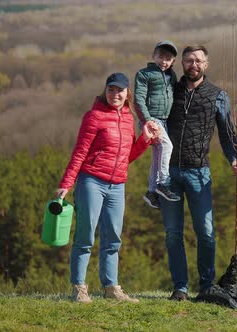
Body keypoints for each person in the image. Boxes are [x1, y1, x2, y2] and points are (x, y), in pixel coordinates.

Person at [56, 72, 159, 304]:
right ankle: (79, 288)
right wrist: (66, 184)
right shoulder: (94, 117)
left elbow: (126, 156)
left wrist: (144, 139)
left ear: (127, 93)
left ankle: (111, 287)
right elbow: (80, 153)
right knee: (86, 235)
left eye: (120, 90)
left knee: (113, 238)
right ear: (105, 91)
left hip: (117, 186)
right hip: (91, 181)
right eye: (111, 89)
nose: (115, 94)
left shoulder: (128, 119)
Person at [161, 45, 237, 301]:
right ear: (181, 64)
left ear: (206, 64)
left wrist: (233, 160)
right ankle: (180, 287)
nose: (193, 64)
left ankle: (206, 285)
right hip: (168, 173)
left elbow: (227, 134)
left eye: (198, 60)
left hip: (200, 173)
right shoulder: (169, 91)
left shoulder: (218, 95)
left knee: (206, 232)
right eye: (188, 60)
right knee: (173, 233)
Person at [134, 40, 180, 209]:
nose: (164, 61)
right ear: (153, 56)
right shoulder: (144, 74)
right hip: (152, 119)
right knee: (167, 147)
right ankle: (163, 184)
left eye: (168, 58)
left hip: (164, 120)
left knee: (158, 156)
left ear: (173, 61)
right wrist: (148, 121)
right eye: (160, 57)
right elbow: (138, 99)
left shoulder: (171, 76)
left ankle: (152, 191)